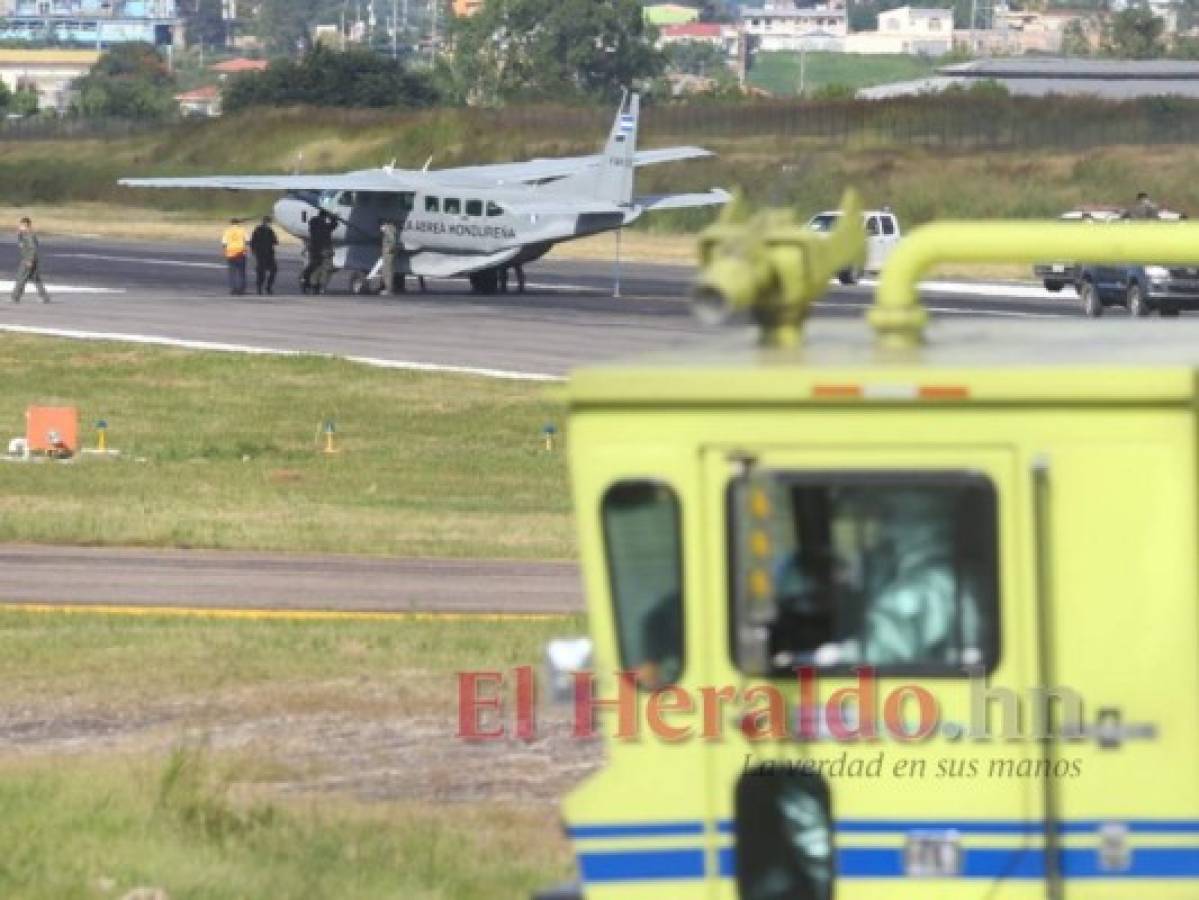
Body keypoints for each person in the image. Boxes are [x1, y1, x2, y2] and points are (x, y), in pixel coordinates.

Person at [11, 217, 50, 304]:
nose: (20, 227)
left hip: (28, 260)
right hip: (31, 260)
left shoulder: (29, 236)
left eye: (21, 225)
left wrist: (30, 260)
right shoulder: (24, 235)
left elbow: (33, 249)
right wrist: (19, 234)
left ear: (26, 226)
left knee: (21, 278)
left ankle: (15, 297)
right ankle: (45, 297)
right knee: (36, 279)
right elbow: (21, 244)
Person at [302, 210, 336, 295]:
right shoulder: (323, 226)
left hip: (315, 249)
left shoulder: (314, 225)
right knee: (326, 268)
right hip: (324, 249)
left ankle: (313, 285)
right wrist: (333, 219)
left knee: (316, 267)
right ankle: (320, 286)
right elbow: (332, 226)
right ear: (324, 217)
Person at [250, 216, 279, 295]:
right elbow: (275, 241)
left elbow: (275, 241)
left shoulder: (267, 230)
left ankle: (265, 287)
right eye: (269, 222)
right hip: (263, 254)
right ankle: (263, 288)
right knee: (263, 272)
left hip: (265, 254)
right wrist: (255, 251)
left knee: (270, 271)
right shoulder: (262, 230)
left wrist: (254, 251)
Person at [221, 218, 248, 296]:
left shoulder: (227, 231)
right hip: (240, 253)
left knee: (232, 273)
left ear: (231, 223)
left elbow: (224, 243)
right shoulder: (242, 230)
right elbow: (247, 240)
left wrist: (225, 251)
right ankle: (241, 289)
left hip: (230, 253)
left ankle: (233, 289)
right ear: (238, 223)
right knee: (241, 273)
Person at [379, 219, 399, 294]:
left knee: (387, 271)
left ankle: (388, 289)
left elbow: (392, 240)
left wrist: (389, 249)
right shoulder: (392, 228)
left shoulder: (388, 229)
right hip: (389, 252)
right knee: (387, 270)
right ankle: (387, 287)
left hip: (388, 253)